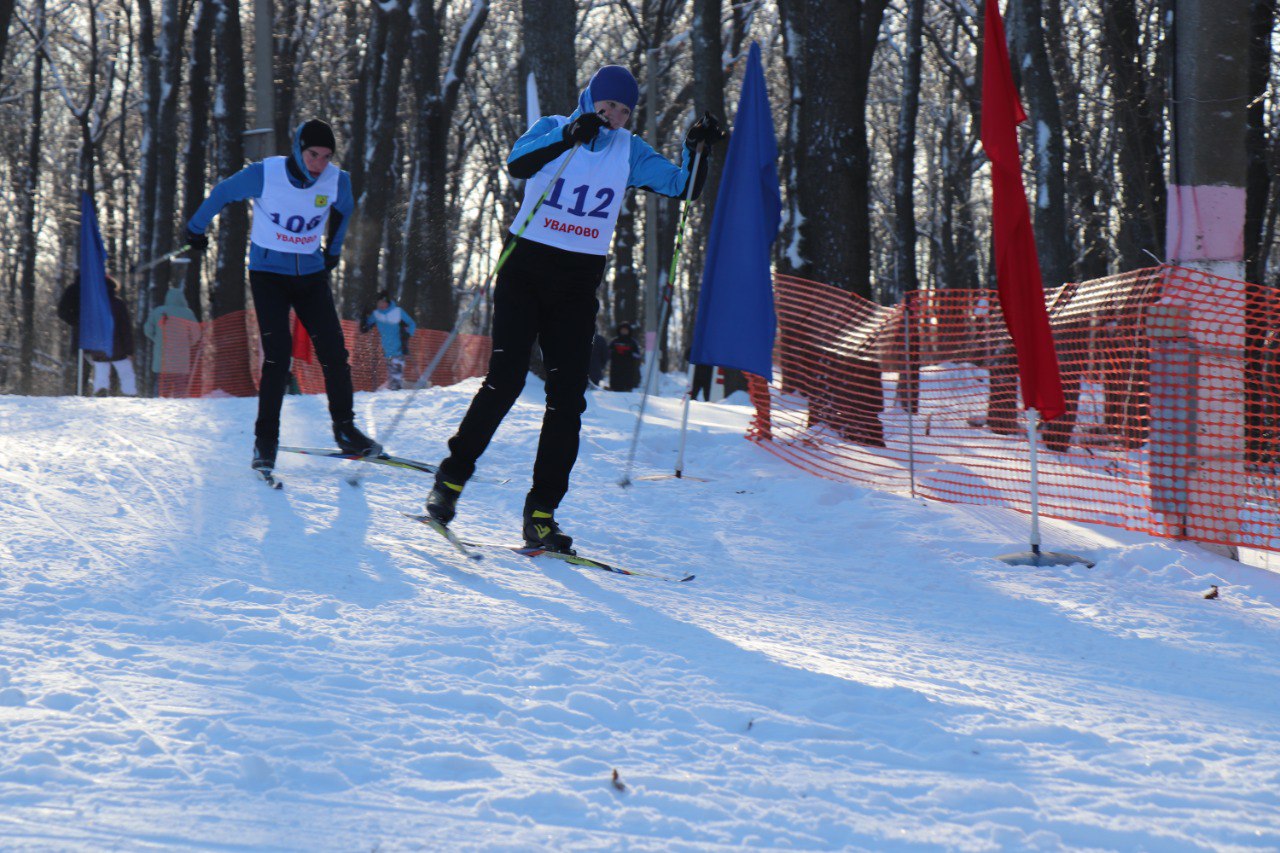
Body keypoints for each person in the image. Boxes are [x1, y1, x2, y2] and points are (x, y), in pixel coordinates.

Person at [424, 64, 725, 552]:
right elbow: (518, 165)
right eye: (607, 106)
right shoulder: (552, 128)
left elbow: (682, 187)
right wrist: (568, 135)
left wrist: (697, 149)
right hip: (525, 269)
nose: (614, 117)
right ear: (590, 100)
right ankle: (450, 480)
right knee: (506, 381)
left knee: (568, 398)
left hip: (577, 282)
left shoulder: (630, 151)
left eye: (624, 111)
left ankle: (541, 514)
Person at [184, 118, 381, 473]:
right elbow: (222, 193)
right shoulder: (266, 174)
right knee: (277, 357)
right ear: (297, 149)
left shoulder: (338, 181)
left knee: (334, 353)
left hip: (310, 275)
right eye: (312, 155)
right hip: (268, 276)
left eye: (325, 156)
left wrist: (333, 251)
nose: (318, 164)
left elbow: (344, 209)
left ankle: (346, 431)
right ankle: (266, 443)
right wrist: (196, 229)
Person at [57, 274, 138, 397]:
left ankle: (100, 393)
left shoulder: (93, 304)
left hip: (98, 346)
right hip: (117, 345)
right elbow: (125, 328)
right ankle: (130, 393)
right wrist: (129, 350)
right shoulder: (118, 304)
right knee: (126, 372)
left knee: (101, 372)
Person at [144, 286, 201, 397]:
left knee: (162, 385)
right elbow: (197, 333)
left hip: (163, 357)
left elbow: (147, 330)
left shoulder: (158, 311)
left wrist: (157, 339)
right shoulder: (188, 313)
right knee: (180, 386)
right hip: (181, 357)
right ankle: (179, 408)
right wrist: (188, 344)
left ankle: (160, 405)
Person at [361, 291, 417, 390]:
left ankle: (396, 396)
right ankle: (395, 395)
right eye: (378, 302)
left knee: (396, 377)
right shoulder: (376, 314)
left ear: (387, 302)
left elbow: (412, 323)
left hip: (399, 349)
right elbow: (365, 327)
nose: (380, 305)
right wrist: (363, 316)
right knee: (393, 377)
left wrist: (408, 334)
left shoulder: (397, 311)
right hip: (388, 351)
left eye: (382, 302)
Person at [608, 321, 642, 392]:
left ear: (629, 331)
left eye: (626, 330)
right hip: (615, 369)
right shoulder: (614, 341)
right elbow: (607, 352)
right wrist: (614, 352)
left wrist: (629, 353)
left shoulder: (633, 342)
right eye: (622, 330)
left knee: (627, 389)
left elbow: (638, 355)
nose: (624, 331)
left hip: (628, 370)